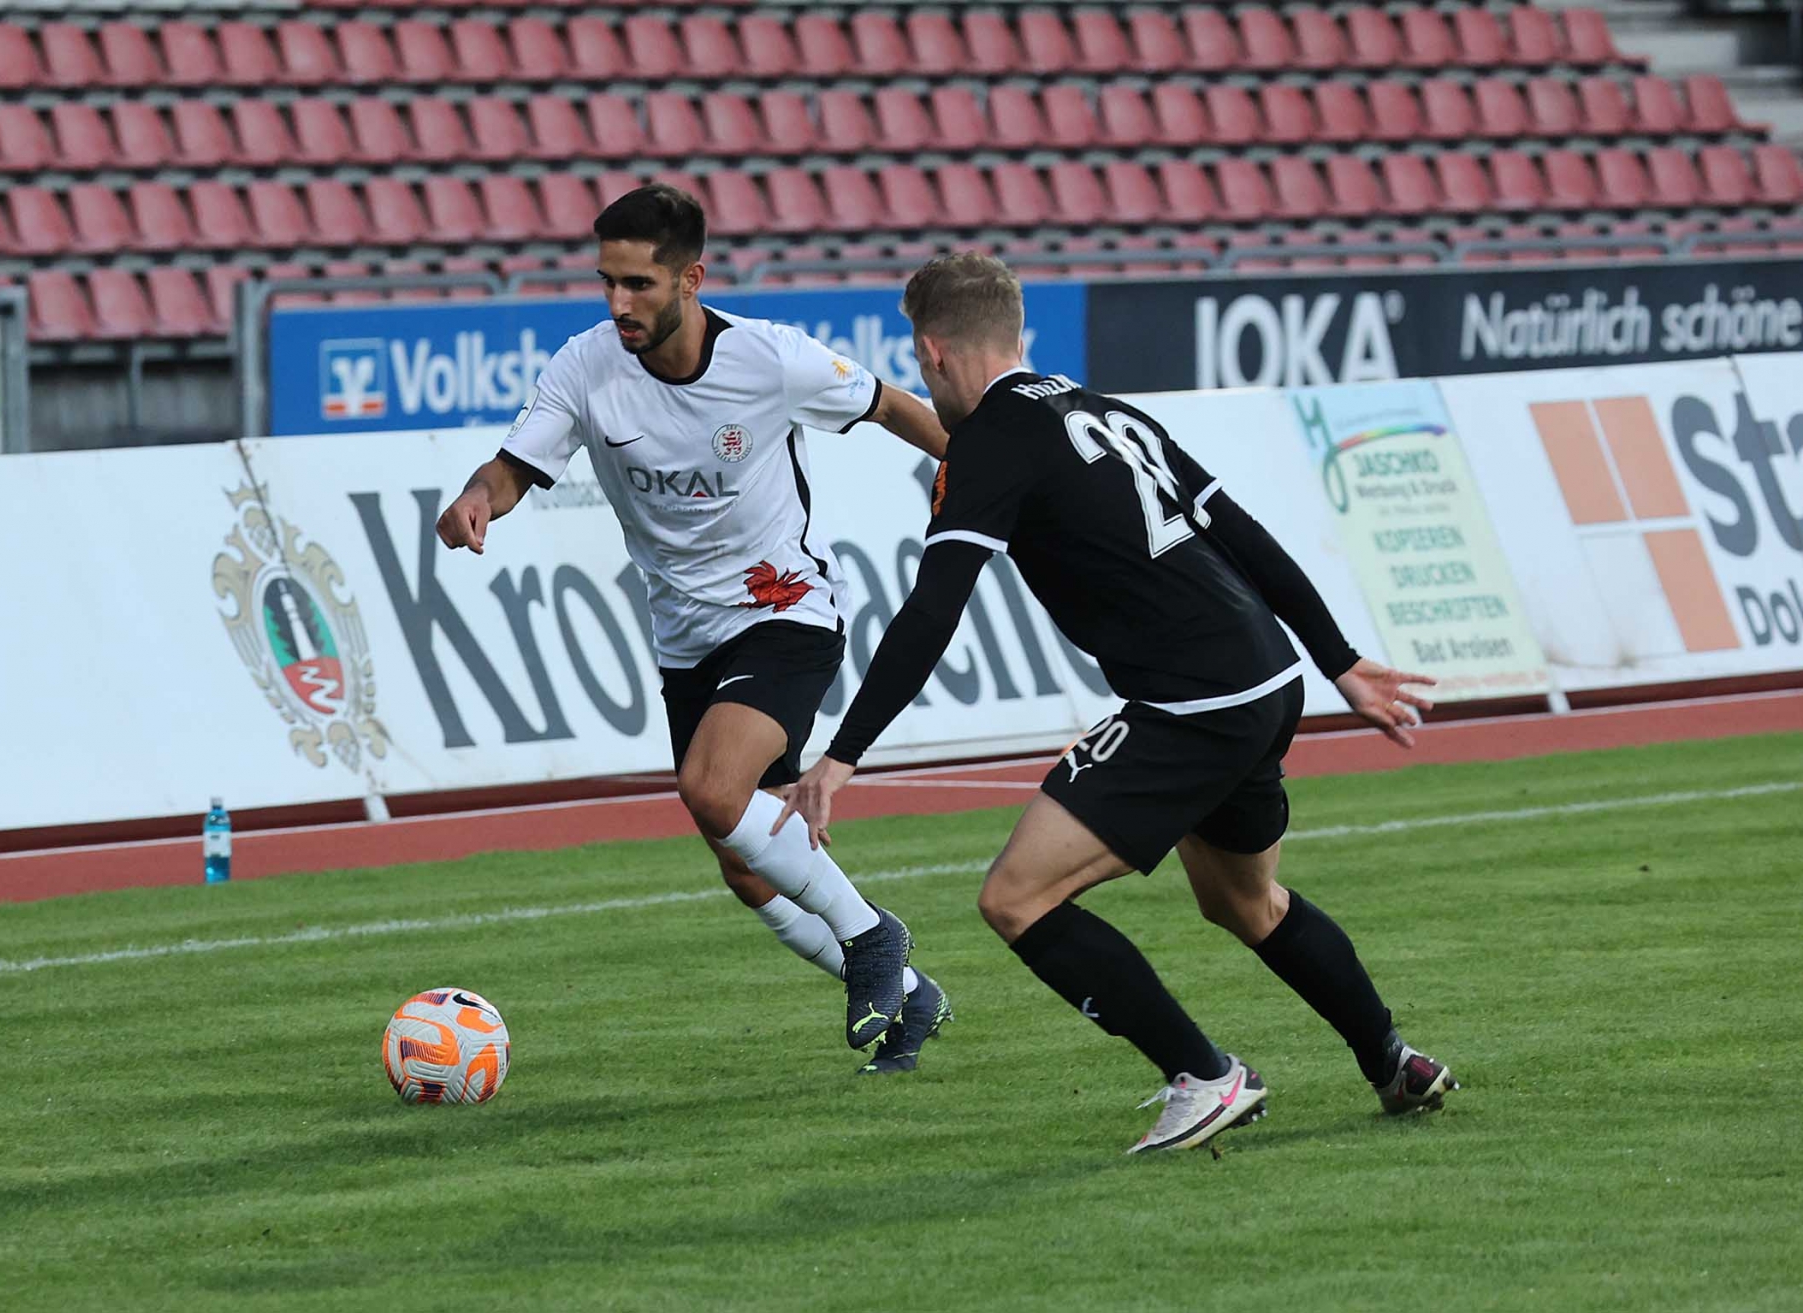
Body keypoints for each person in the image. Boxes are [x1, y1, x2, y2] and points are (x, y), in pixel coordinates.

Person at [777, 252, 1458, 1148]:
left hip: (1191, 702)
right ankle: (1394, 1061)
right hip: (1262, 678)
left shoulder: (991, 440)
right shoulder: (1102, 409)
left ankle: (1205, 1075)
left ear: (934, 352)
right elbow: (1241, 530)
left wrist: (843, 751)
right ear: (1016, 335)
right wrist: (1338, 660)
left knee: (1016, 898)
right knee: (1246, 903)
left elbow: (935, 605)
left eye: (917, 356)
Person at [436, 185, 952, 1071]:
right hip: (685, 640)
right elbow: (516, 463)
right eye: (606, 282)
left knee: (712, 789)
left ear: (691, 278)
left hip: (785, 609)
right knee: (747, 864)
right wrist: (480, 498)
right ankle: (910, 995)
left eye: (637, 283)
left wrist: (983, 471)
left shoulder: (771, 359)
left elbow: (893, 407)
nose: (617, 303)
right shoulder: (584, 367)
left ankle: (874, 936)